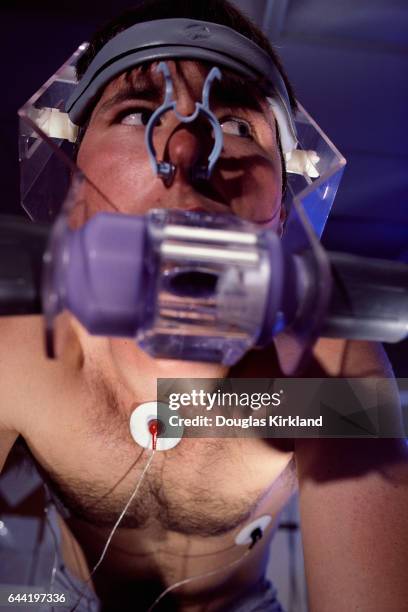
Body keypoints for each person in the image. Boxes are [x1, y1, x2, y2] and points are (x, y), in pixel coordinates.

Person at [1, 1, 408, 610]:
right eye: (140, 113)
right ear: (69, 171)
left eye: (239, 126)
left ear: (281, 208)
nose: (188, 153)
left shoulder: (321, 370)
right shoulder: (21, 346)